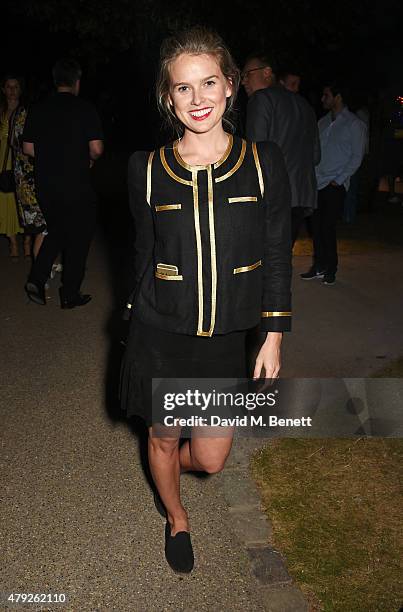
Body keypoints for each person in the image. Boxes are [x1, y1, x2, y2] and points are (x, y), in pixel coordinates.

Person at [120, 27, 292, 574]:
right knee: (164, 438)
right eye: (183, 88)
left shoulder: (262, 162)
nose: (198, 99)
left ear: (231, 86)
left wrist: (274, 333)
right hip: (160, 336)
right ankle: (176, 517)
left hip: (223, 342)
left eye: (209, 82)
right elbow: (145, 256)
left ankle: (165, 470)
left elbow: (277, 253)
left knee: (213, 458)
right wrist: (130, 324)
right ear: (167, 98)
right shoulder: (146, 169)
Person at [23, 58, 104, 308]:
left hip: (46, 183)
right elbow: (97, 149)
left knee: (57, 229)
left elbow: (27, 148)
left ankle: (37, 277)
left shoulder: (38, 108)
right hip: (76, 183)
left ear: (56, 81)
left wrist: (52, 156)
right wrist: (84, 157)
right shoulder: (85, 108)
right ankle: (69, 294)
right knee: (79, 237)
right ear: (77, 82)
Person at [242, 53, 320, 245]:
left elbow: (255, 152)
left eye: (247, 74)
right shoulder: (305, 105)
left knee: (264, 260)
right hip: (302, 195)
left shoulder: (261, 99)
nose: (243, 81)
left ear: (267, 72)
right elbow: (316, 156)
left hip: (273, 195)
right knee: (281, 260)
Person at [300, 82, 367, 285]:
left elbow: (357, 156)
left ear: (337, 97)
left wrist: (339, 180)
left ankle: (331, 268)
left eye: (326, 95)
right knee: (316, 227)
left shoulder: (355, 124)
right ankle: (318, 265)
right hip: (317, 182)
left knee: (328, 227)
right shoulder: (322, 122)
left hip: (334, 184)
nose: (323, 99)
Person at [11, 103, 47, 259]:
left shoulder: (19, 112)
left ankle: (42, 270)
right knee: (43, 228)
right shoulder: (29, 113)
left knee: (42, 228)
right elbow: (28, 148)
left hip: (24, 179)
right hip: (33, 179)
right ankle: (40, 275)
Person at [0, 76, 24, 258]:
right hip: (3, 163)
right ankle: (13, 241)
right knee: (6, 201)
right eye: (9, 87)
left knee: (22, 200)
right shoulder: (1, 113)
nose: (12, 90)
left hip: (22, 163)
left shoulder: (26, 112)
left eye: (15, 87)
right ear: (4, 90)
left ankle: (29, 239)